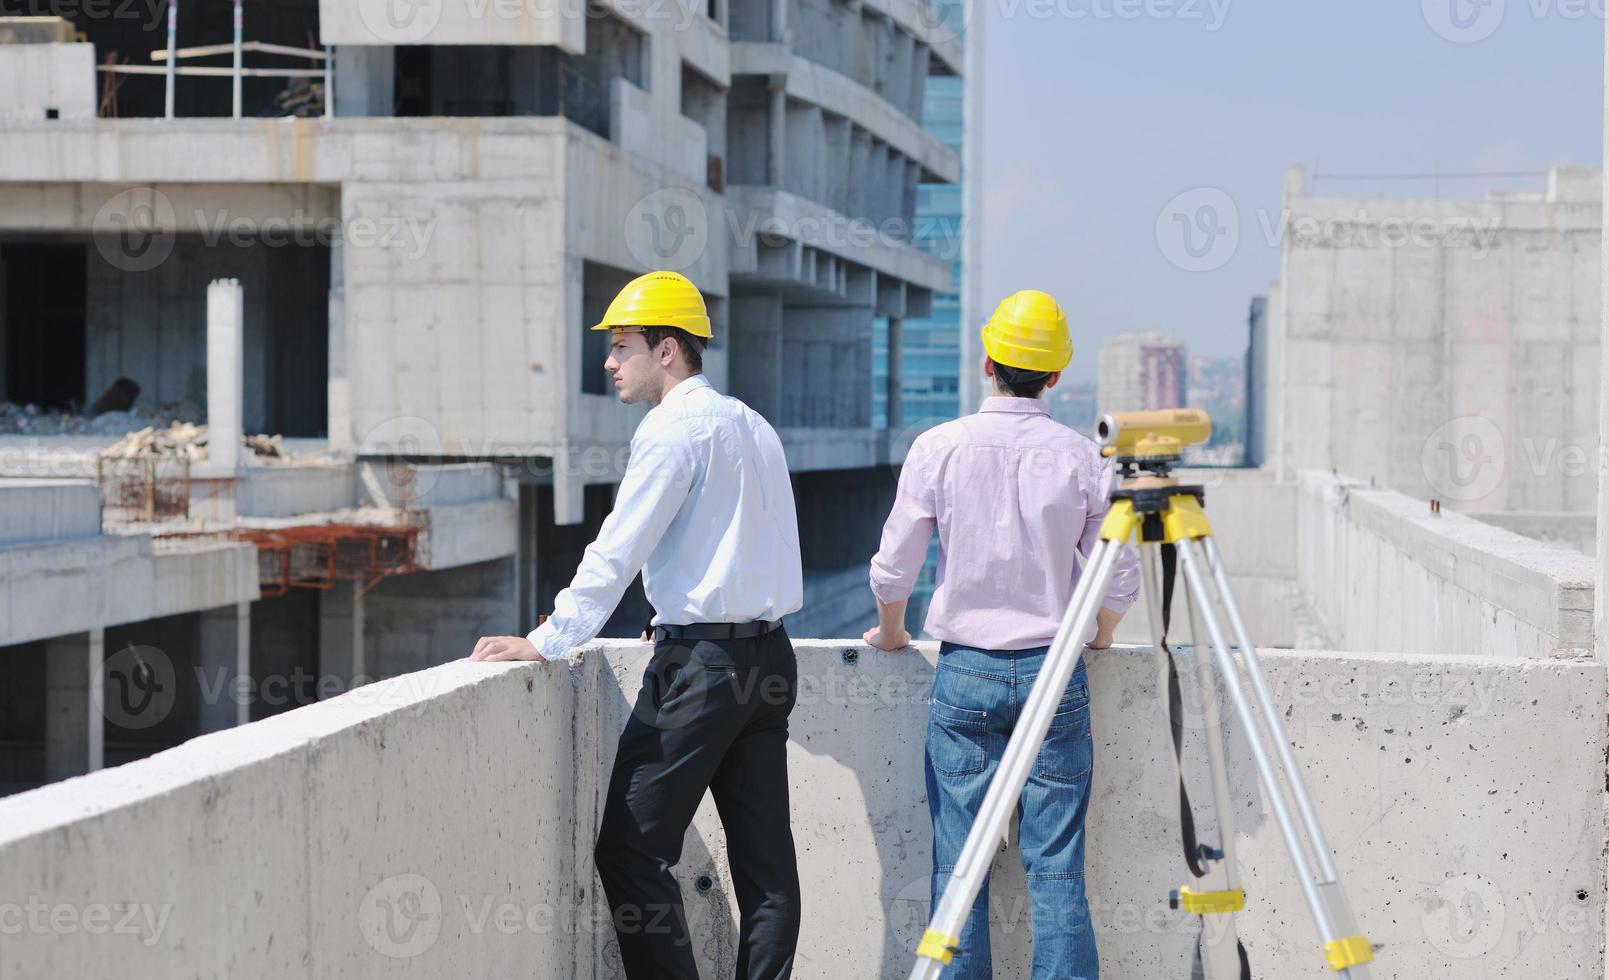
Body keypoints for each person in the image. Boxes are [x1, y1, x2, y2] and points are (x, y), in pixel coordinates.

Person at [470, 270, 804, 980]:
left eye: (622, 346)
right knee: (766, 869)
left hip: (704, 671)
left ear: (668, 352)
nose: (609, 361)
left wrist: (549, 638)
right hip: (769, 659)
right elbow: (748, 545)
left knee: (628, 850)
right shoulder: (753, 424)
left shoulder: (672, 430)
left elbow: (620, 546)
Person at [863, 289, 1140, 979]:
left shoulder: (939, 447)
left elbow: (893, 567)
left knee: (959, 871)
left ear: (987, 361)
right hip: (1055, 672)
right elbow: (1120, 573)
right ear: (1054, 376)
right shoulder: (1082, 457)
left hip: (965, 674)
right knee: (1056, 874)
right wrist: (1098, 637)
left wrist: (892, 634)